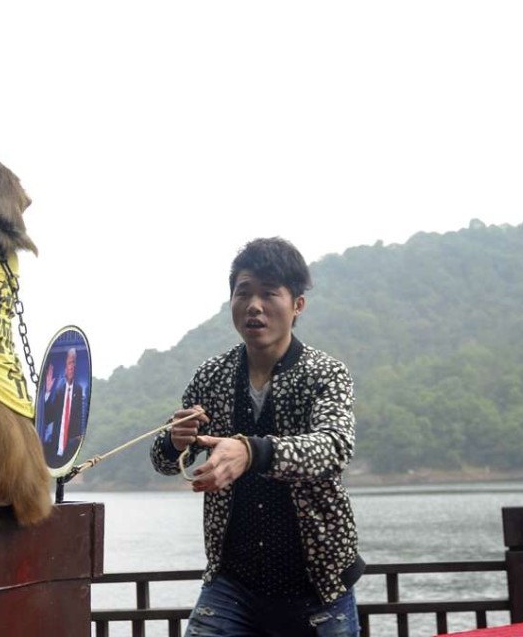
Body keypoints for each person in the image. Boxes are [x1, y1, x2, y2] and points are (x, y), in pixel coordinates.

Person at [150, 237, 364, 637]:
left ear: (298, 305)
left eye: (269, 293)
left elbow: (334, 447)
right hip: (233, 583)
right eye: (243, 292)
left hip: (318, 584)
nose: (254, 305)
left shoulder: (324, 373)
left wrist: (251, 451)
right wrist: (174, 441)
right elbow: (163, 462)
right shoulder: (212, 375)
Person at [44, 348, 86, 468]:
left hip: (70, 453)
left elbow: (80, 418)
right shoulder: (59, 391)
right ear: (65, 368)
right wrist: (47, 392)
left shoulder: (78, 390)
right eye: (69, 363)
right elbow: (49, 416)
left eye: (74, 363)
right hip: (54, 452)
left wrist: (78, 437)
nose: (72, 366)